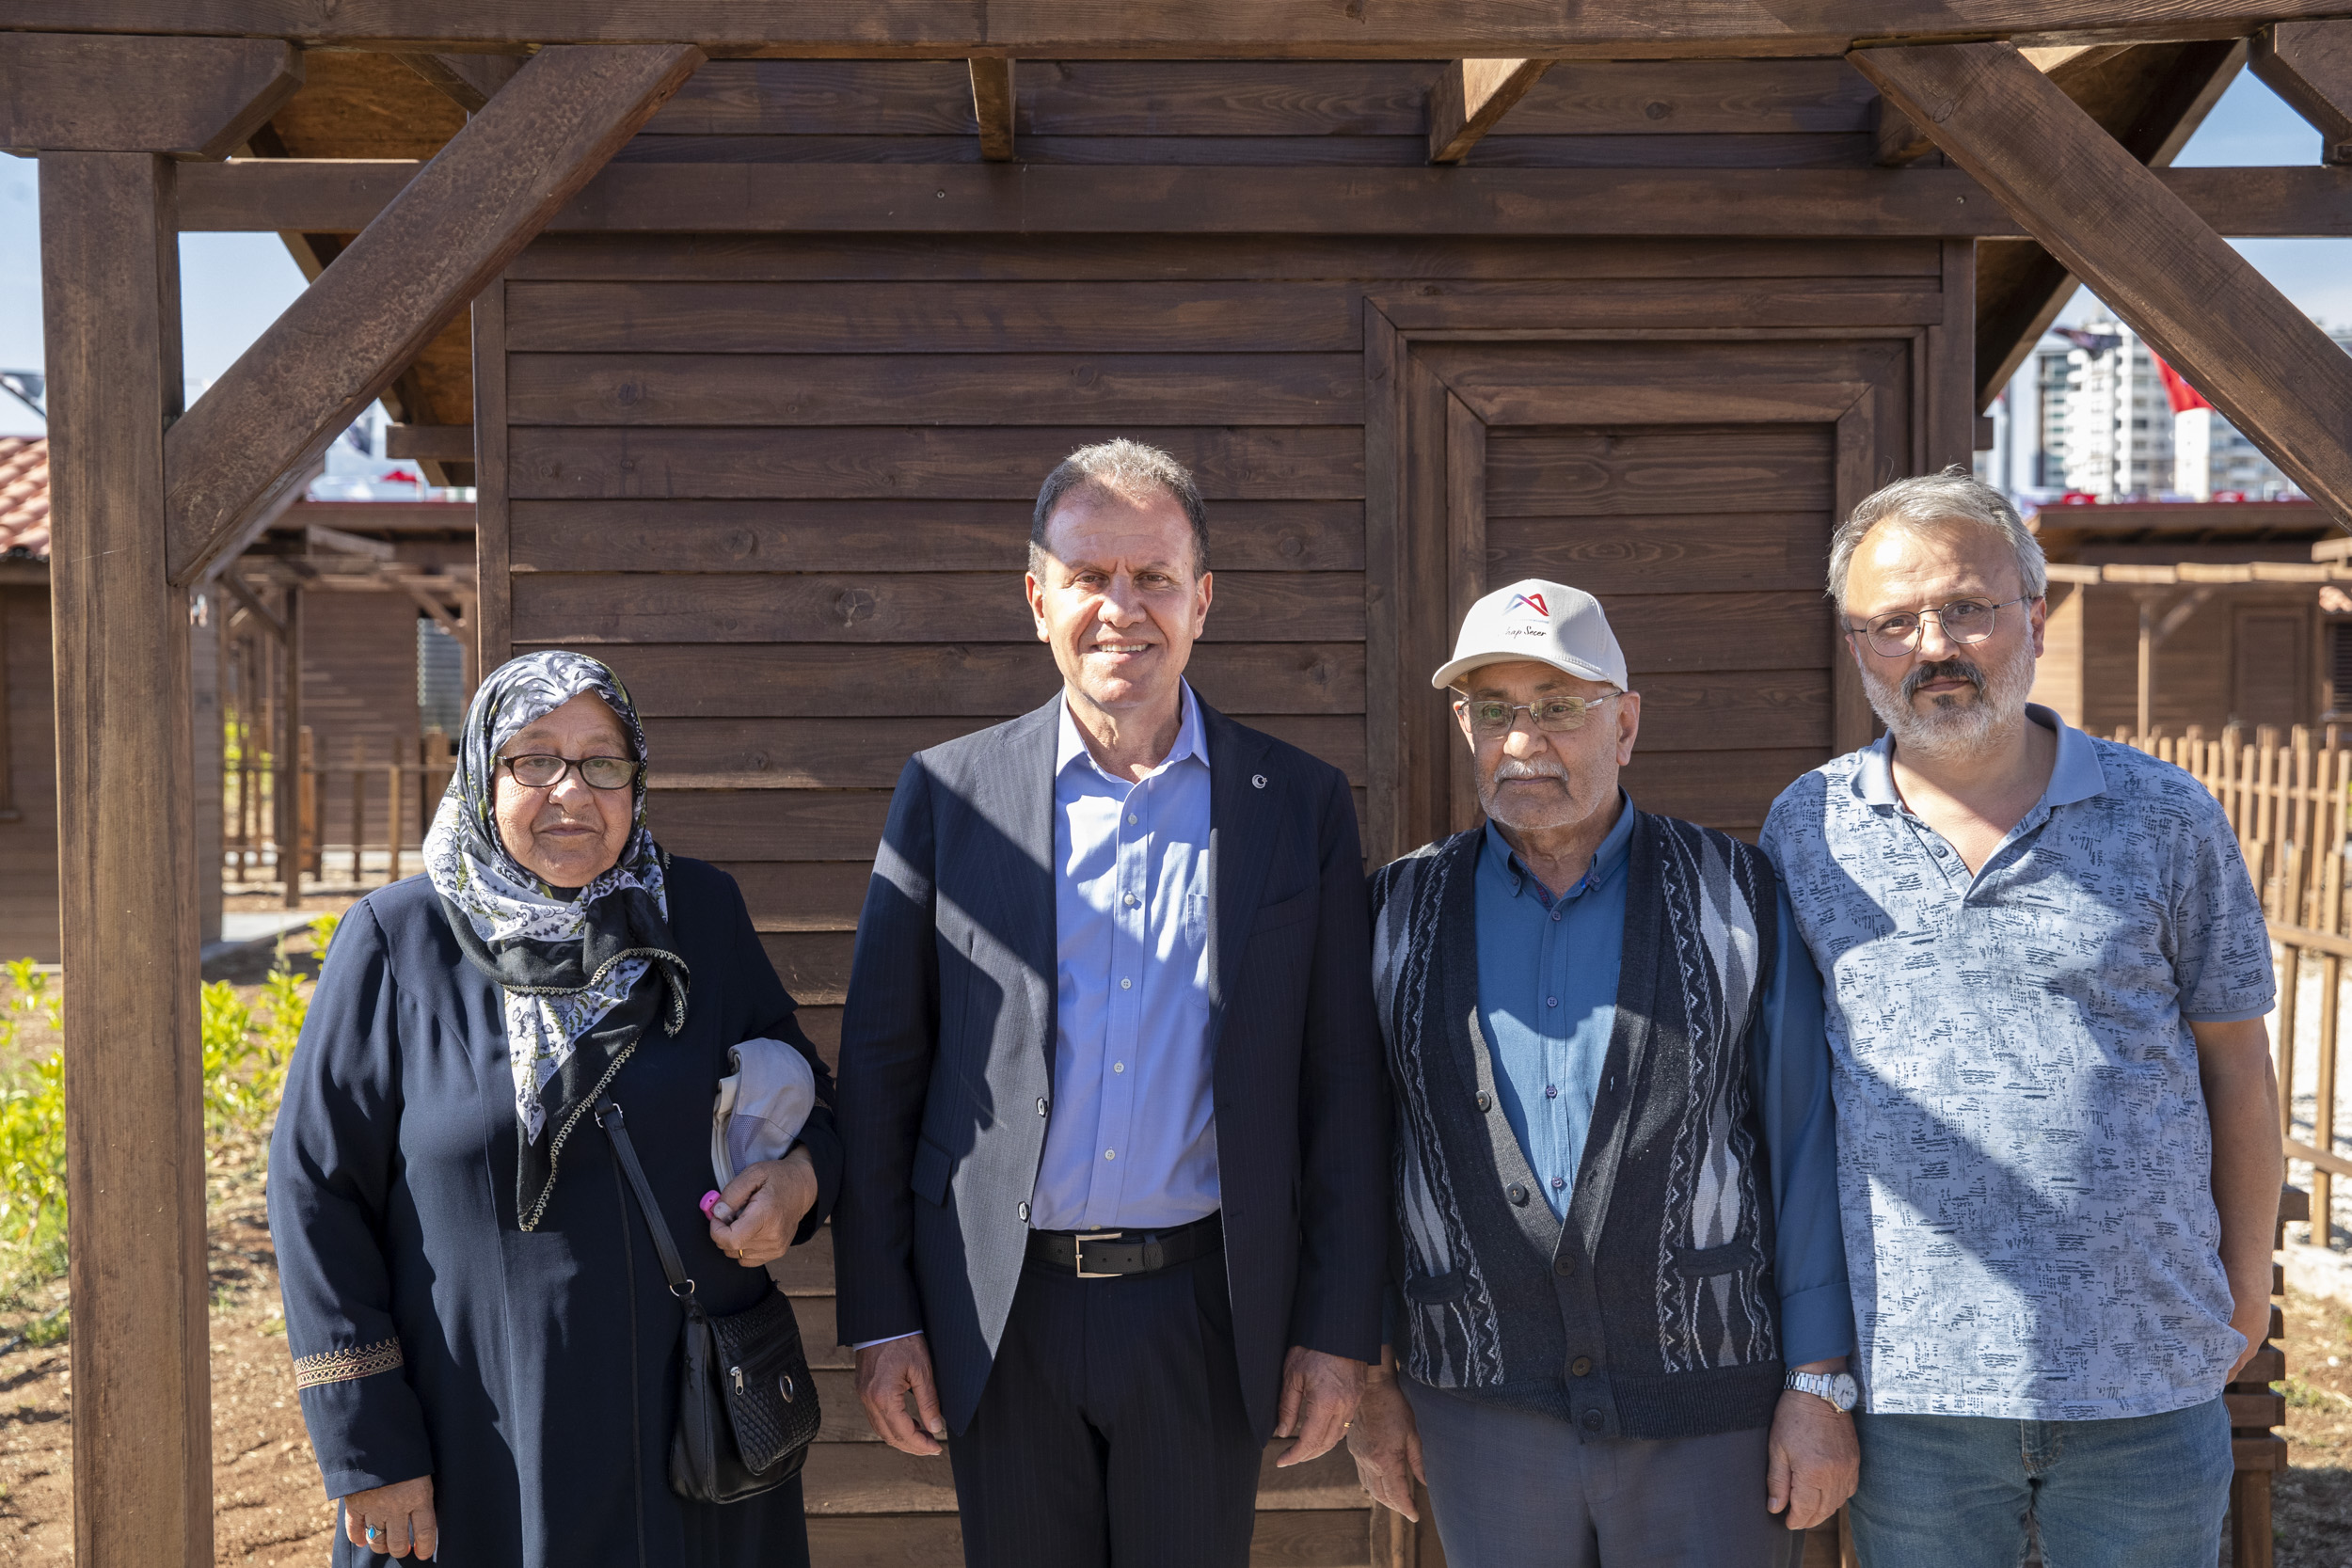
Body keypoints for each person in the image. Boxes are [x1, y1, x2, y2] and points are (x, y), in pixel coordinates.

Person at [834, 438, 1389, 1568]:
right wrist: (883, 1317)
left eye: (1153, 577)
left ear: (1202, 600)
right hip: (1001, 1310)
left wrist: (1334, 1333)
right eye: (1091, 576)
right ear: (1039, 598)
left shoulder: (1298, 806)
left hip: (1204, 1311)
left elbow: (1340, 1086)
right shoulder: (949, 794)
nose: (1121, 608)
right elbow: (883, 1069)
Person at [1759, 470, 2282, 1568]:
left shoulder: (2165, 814)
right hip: (1913, 1391)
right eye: (1892, 622)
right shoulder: (1808, 829)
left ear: (2033, 617)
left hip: (2144, 1370)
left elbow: (2235, 1057)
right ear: (1858, 647)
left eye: (1965, 607)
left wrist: (2247, 1277)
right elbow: (1795, 1099)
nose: (1933, 644)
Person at [268, 651, 842, 1566]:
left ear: (636, 777)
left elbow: (811, 1100)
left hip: (691, 1440)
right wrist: (368, 1445)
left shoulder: (699, 913)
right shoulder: (397, 939)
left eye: (601, 761)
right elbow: (314, 1190)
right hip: (482, 1446)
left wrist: (798, 1181)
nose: (570, 790)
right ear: (481, 771)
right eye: (534, 758)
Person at [1345, 578, 1858, 1567]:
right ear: (1463, 725)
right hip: (1479, 1412)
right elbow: (1359, 1158)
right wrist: (1371, 1380)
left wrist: (1819, 1381)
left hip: (1710, 1410)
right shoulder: (1393, 914)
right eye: (1493, 709)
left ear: (1624, 723)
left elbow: (1801, 1142)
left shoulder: (1736, 896)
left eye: (1557, 706)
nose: (1523, 739)